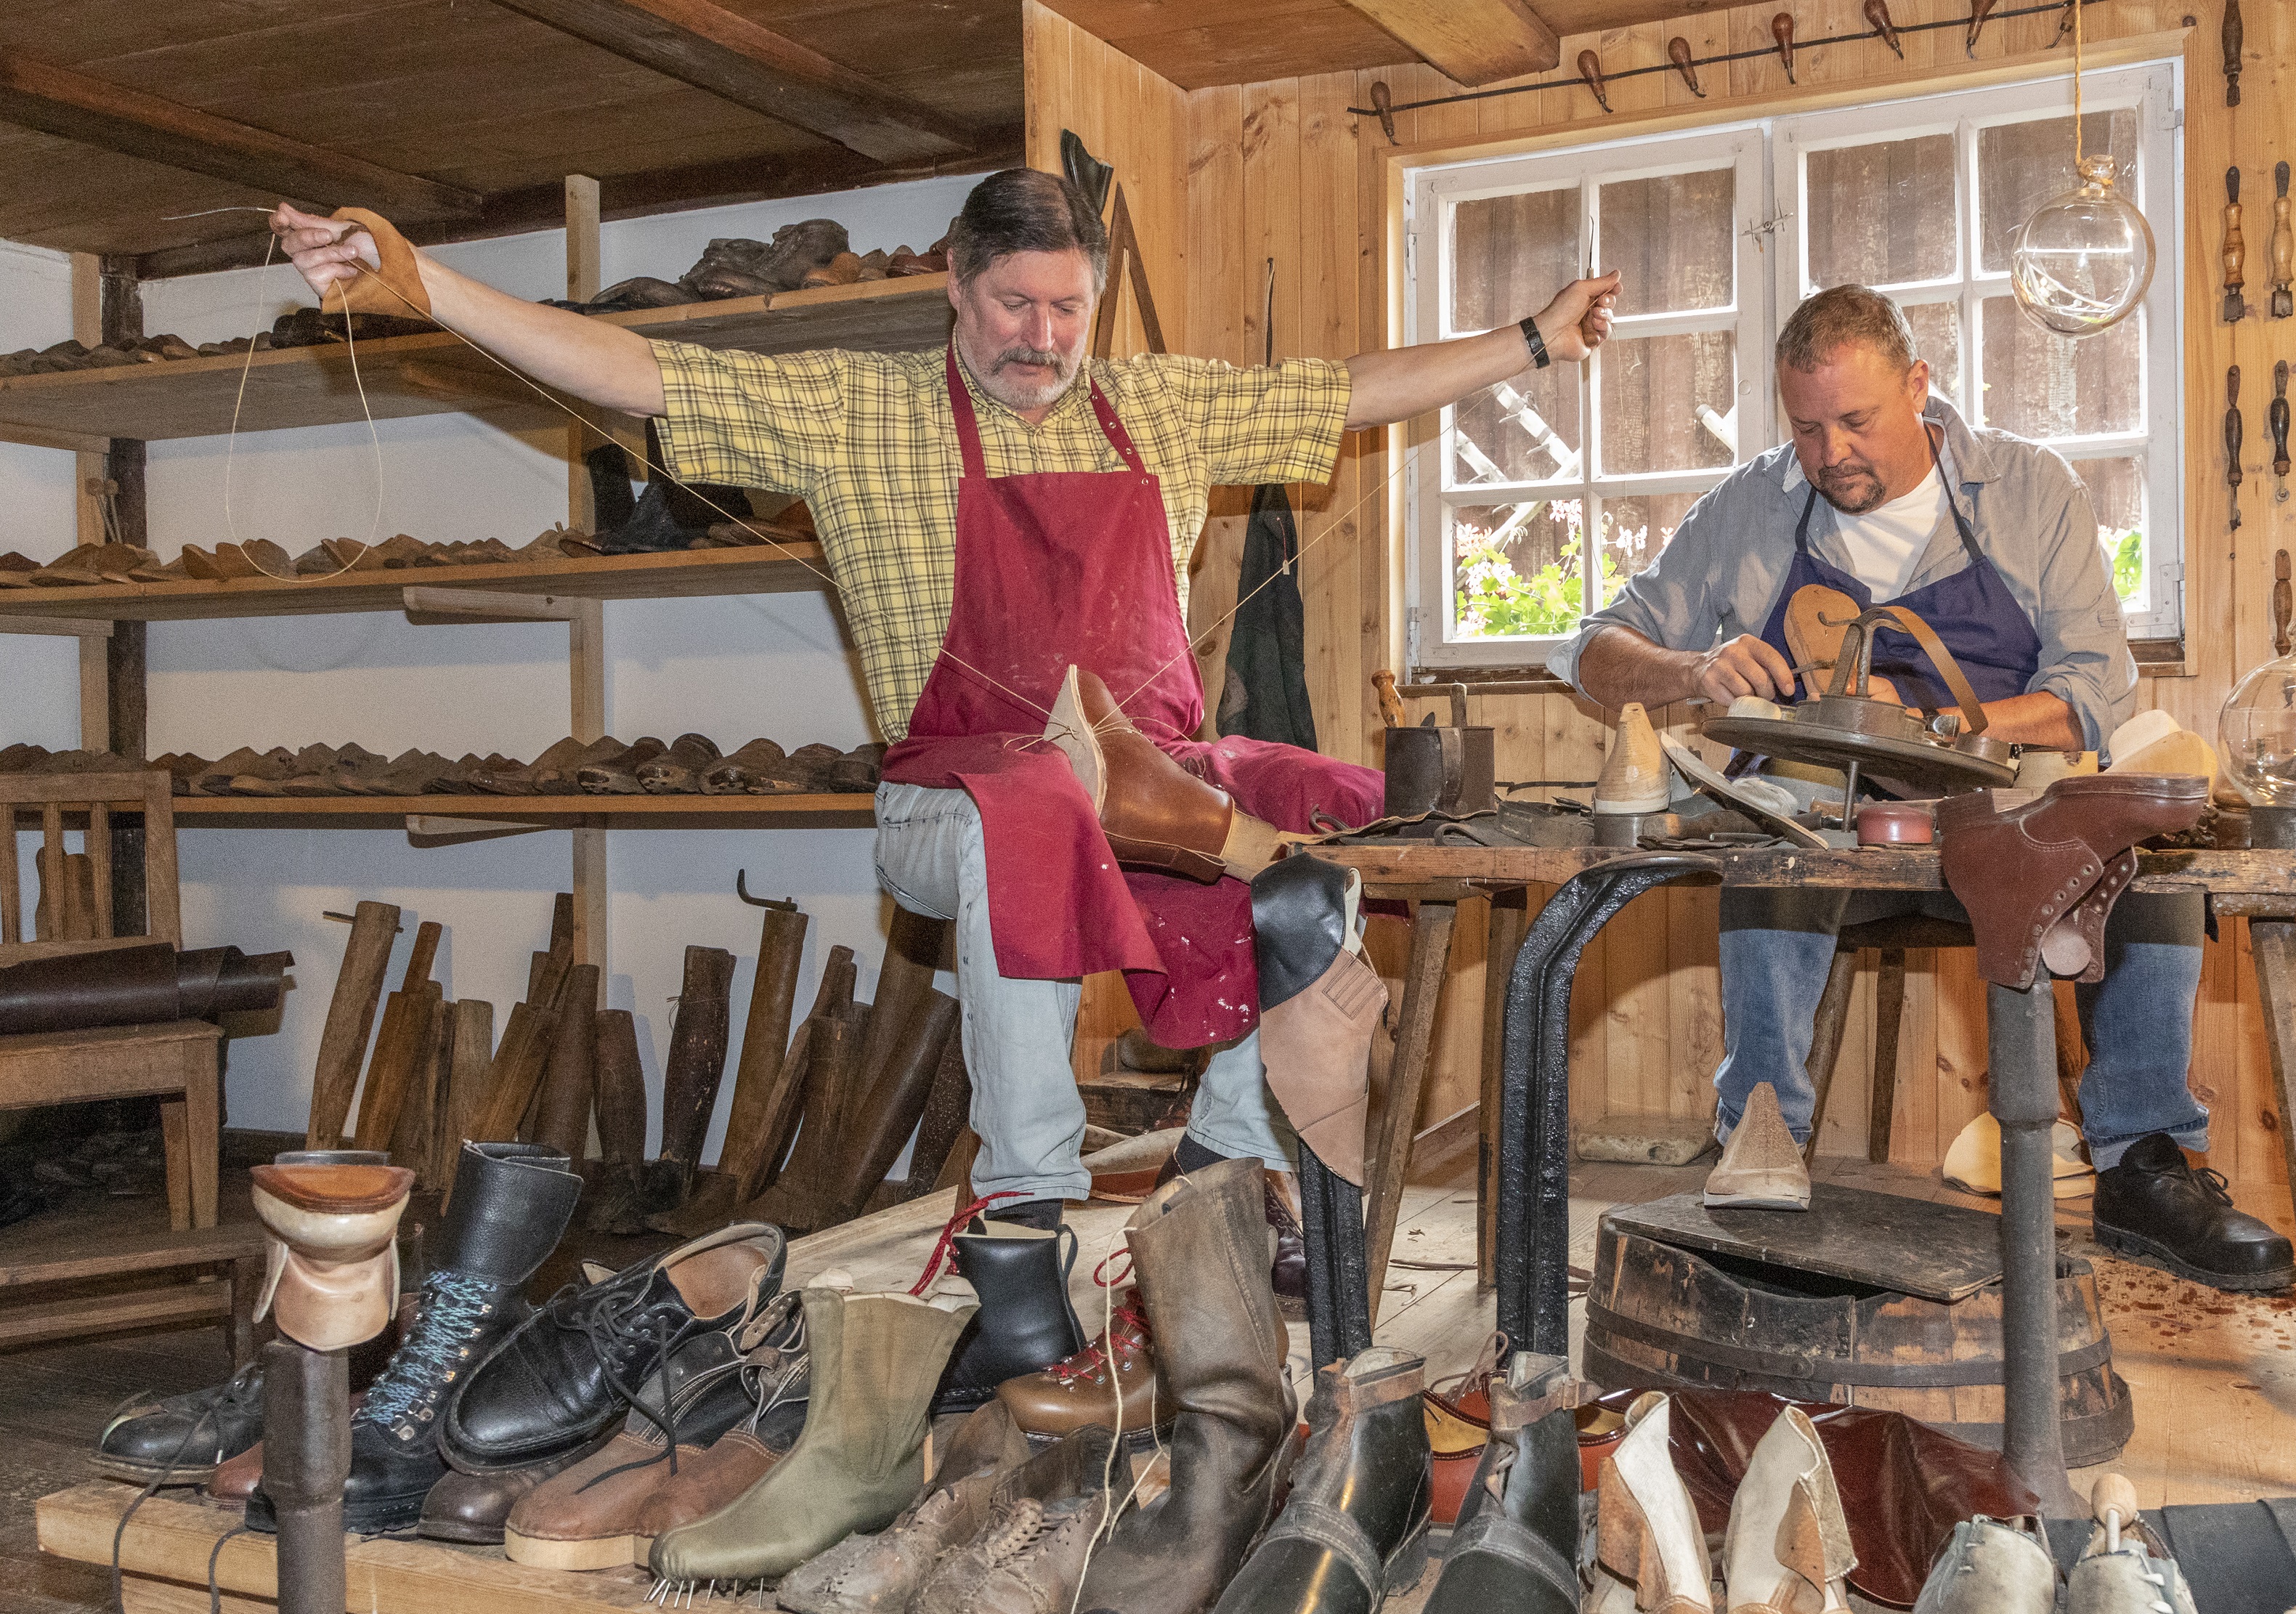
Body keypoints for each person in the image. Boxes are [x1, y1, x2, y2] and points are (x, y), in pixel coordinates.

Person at [269, 173, 1620, 1226]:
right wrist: (431, 286)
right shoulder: (863, 417)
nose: (1044, 339)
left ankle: (1233, 1147)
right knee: (1013, 814)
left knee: (1333, 808)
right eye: (1015, 307)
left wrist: (1529, 343)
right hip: (948, 802)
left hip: (1151, 785)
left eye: (1068, 310)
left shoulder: (1163, 409)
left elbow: (1349, 389)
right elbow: (640, 370)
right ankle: (1027, 1199)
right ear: (957, 295)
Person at [1548, 285, 2294, 1293]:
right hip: (1828, 835)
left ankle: (2142, 1163)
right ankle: (1761, 1131)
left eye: (1858, 420)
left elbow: (2091, 690)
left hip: (1997, 815)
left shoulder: (2027, 491)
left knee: (2135, 816)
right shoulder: (1749, 509)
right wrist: (1693, 671)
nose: (1833, 451)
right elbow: (1591, 650)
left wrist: (1946, 728)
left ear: (1919, 388)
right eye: (1808, 428)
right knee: (1770, 810)